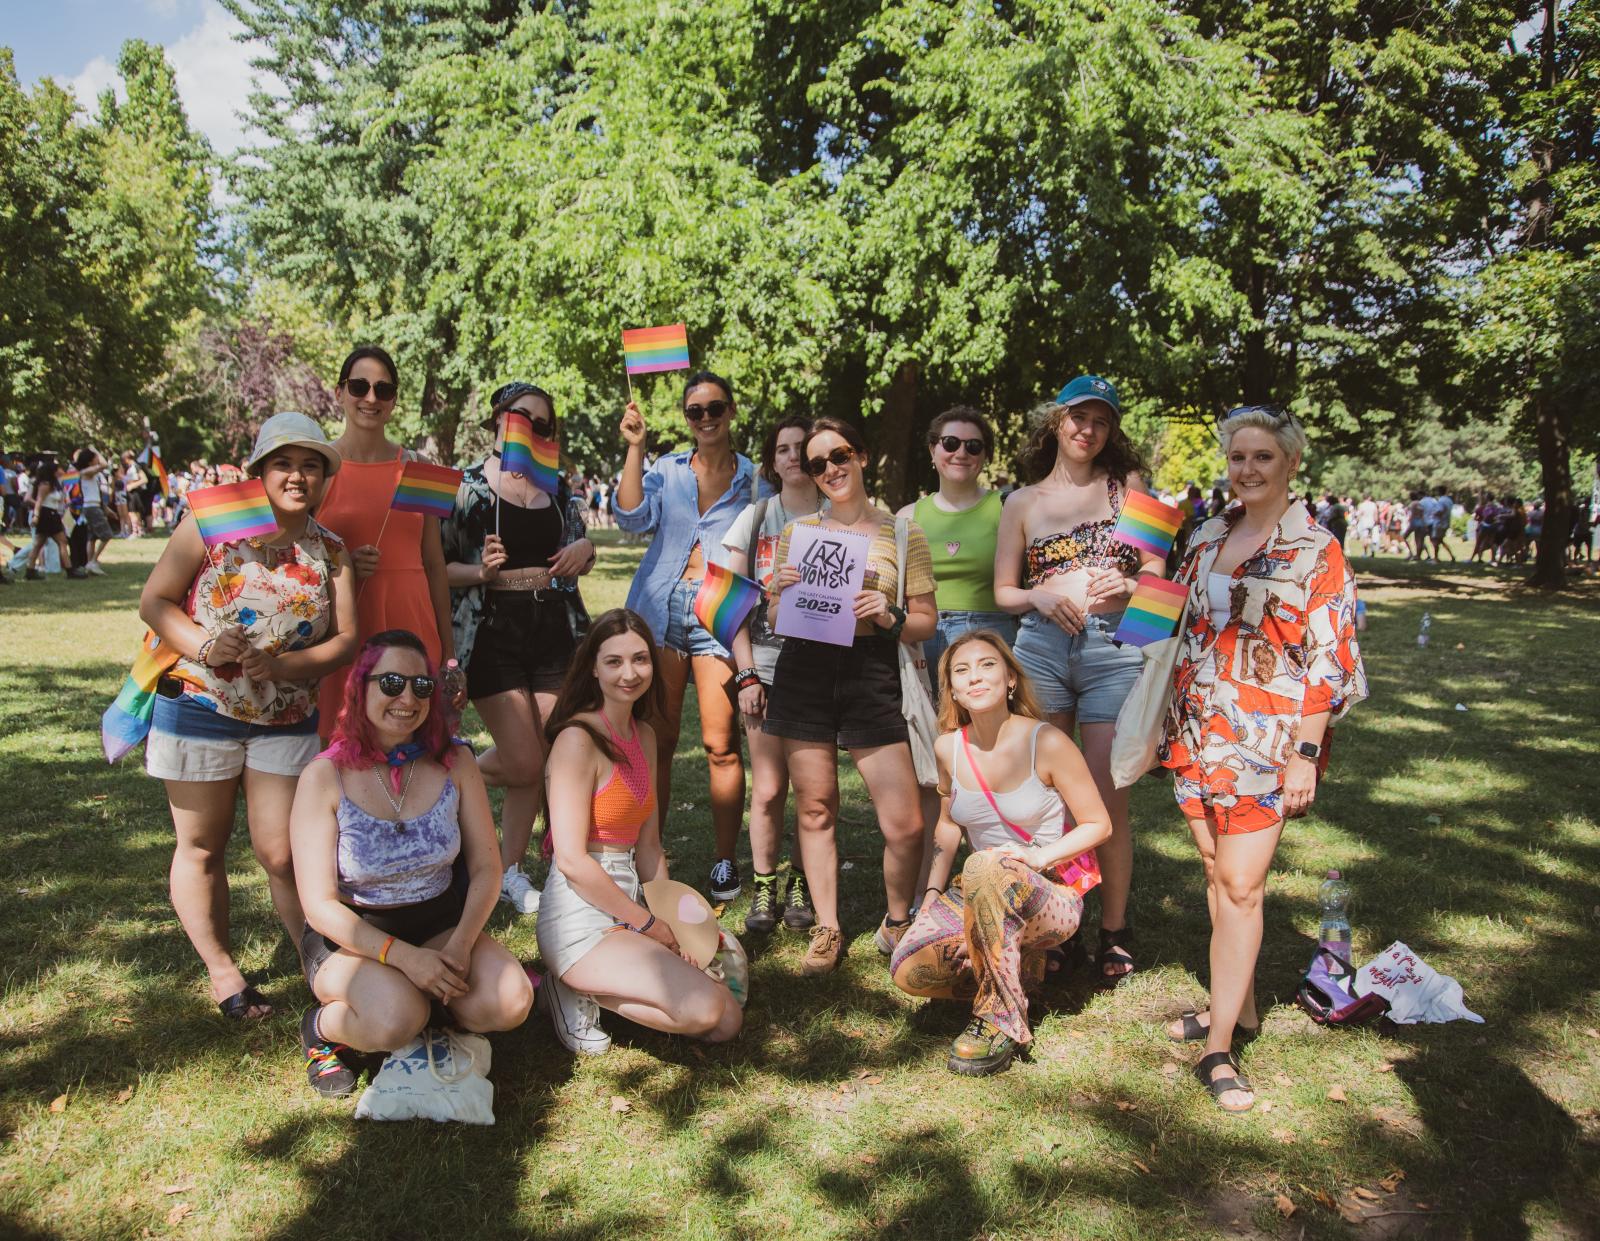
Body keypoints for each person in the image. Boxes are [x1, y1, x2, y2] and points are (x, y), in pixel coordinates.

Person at [1157, 405, 1366, 1112]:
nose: (1247, 469)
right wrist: (1124, 599)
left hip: (1269, 741)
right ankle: (1237, 1008)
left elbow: (1330, 665)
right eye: (1238, 456)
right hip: (1194, 726)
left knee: (1243, 885)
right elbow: (1170, 615)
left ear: (1291, 464)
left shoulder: (1316, 549)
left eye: (1263, 458)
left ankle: (1218, 1047)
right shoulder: (1208, 531)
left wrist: (1306, 754)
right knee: (1217, 874)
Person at [138, 412, 358, 1020]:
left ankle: (318, 963)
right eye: (284, 463)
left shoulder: (330, 551)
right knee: (202, 846)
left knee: (284, 851)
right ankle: (224, 973)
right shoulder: (210, 527)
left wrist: (283, 668)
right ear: (260, 470)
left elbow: (345, 640)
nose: (298, 476)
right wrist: (205, 645)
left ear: (323, 479)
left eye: (311, 465)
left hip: (285, 716)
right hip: (200, 707)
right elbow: (154, 601)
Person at [290, 629, 533, 1097]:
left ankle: (425, 1002)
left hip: (441, 925)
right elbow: (319, 905)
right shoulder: (324, 776)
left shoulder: (456, 761)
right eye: (391, 683)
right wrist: (404, 959)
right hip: (351, 938)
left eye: (422, 686)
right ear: (360, 687)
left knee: (510, 1003)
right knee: (394, 1021)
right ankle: (322, 1028)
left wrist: (460, 948)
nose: (408, 698)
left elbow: (487, 868)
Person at [992, 375, 1163, 985]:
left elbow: (1161, 579)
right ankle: (1059, 925)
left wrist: (1133, 585)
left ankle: (1114, 930)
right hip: (1040, 651)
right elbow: (1003, 592)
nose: (1086, 430)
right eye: (1077, 418)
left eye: (1100, 421)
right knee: (1048, 797)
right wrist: (1038, 594)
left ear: (1110, 431)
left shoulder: (1129, 491)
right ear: (1055, 423)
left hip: (1113, 650)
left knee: (1104, 793)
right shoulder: (1022, 502)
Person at [890, 631, 1111, 1075]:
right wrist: (932, 891)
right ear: (951, 689)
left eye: (987, 665)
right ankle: (1019, 968)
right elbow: (949, 826)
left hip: (1049, 892)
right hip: (977, 886)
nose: (975, 677)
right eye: (962, 670)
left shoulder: (1046, 741)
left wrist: (1039, 857)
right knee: (908, 971)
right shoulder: (947, 747)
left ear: (1011, 678)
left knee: (986, 865)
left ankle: (998, 1019)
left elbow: (1099, 824)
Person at [764, 418, 937, 974]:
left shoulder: (903, 533)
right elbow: (772, 617)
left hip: (871, 669)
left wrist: (890, 618)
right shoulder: (797, 534)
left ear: (861, 456)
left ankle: (895, 921)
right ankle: (827, 928)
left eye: (839, 456)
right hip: (806, 670)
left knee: (905, 823)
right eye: (817, 465)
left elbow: (927, 622)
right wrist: (780, 595)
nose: (831, 470)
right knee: (815, 808)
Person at [535, 609, 743, 1053]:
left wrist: (672, 923)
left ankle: (604, 983)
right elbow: (571, 860)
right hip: (581, 914)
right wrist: (649, 925)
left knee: (728, 1020)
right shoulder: (576, 741)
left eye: (640, 659)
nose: (629, 673)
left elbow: (649, 846)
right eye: (613, 661)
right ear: (592, 666)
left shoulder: (643, 734)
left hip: (631, 906)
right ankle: (567, 986)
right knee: (705, 1010)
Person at [442, 382, 595, 916]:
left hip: (555, 628)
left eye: (543, 422)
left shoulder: (556, 487)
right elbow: (436, 568)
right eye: (520, 418)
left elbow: (580, 547)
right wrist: (479, 571)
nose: (531, 429)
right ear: (498, 422)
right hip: (492, 630)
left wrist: (585, 547)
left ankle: (508, 869)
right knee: (526, 761)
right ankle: (448, 769)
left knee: (552, 754)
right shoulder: (465, 489)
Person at [615, 371, 760, 901]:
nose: (706, 419)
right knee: (657, 740)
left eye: (715, 408)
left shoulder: (754, 480)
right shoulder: (667, 468)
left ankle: (724, 861)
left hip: (721, 611)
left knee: (721, 744)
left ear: (731, 411)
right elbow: (630, 519)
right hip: (660, 608)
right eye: (695, 411)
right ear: (686, 419)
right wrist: (635, 449)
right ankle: (650, 856)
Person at [315, 346, 456, 742]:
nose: (371, 398)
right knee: (346, 744)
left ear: (394, 400)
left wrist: (448, 652)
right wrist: (340, 568)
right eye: (360, 386)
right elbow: (296, 558)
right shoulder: (318, 468)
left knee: (414, 743)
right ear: (339, 392)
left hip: (413, 620)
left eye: (384, 389)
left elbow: (433, 563)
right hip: (345, 629)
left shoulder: (418, 468)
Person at [722, 414, 822, 934]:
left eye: (802, 447)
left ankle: (803, 881)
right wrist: (746, 675)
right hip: (763, 666)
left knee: (812, 790)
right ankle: (764, 885)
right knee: (766, 789)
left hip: (819, 674)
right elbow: (727, 605)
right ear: (771, 460)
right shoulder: (756, 518)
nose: (793, 456)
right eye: (782, 449)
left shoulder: (837, 519)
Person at [898, 407, 1017, 690]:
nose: (961, 453)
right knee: (929, 729)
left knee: (990, 730)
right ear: (932, 450)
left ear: (985, 456)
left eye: (973, 446)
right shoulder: (906, 517)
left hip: (992, 633)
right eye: (950, 443)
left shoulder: (1008, 508)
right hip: (923, 636)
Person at [23, 464, 86, 580]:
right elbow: (39, 501)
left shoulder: (54, 484)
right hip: (47, 515)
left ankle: (30, 571)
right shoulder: (45, 485)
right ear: (52, 472)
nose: (60, 471)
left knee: (38, 544)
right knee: (62, 542)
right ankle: (70, 570)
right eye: (58, 469)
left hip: (52, 514)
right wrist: (36, 516)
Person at [73, 448, 115, 574]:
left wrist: (106, 509)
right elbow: (104, 464)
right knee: (106, 534)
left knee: (92, 537)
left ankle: (90, 562)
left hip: (93, 506)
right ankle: (93, 561)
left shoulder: (91, 474)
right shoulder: (86, 472)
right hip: (92, 508)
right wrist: (96, 450)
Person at [1428, 486, 1457, 562]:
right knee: (1440, 540)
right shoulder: (1449, 500)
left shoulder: (1441, 500)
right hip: (1446, 522)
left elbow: (1440, 510)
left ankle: (1436, 558)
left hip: (1439, 523)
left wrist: (1433, 514)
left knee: (1435, 541)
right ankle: (1451, 556)